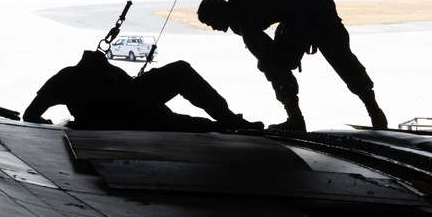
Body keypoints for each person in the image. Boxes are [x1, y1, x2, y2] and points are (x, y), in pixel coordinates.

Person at [197, 0, 388, 131]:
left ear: (218, 11)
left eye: (210, 22)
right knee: (274, 63)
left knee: (338, 56)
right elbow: (262, 50)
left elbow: (253, 40)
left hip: (315, 3)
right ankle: (295, 118)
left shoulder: (240, 5)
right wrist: (269, 64)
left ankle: (374, 111)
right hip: (296, 15)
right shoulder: (238, 21)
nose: (213, 27)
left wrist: (268, 62)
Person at [23, 50, 262, 132]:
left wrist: (54, 126)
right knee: (180, 71)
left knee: (188, 124)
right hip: (127, 111)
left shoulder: (63, 78)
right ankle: (229, 121)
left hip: (104, 121)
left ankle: (225, 125)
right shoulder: (111, 73)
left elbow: (30, 114)